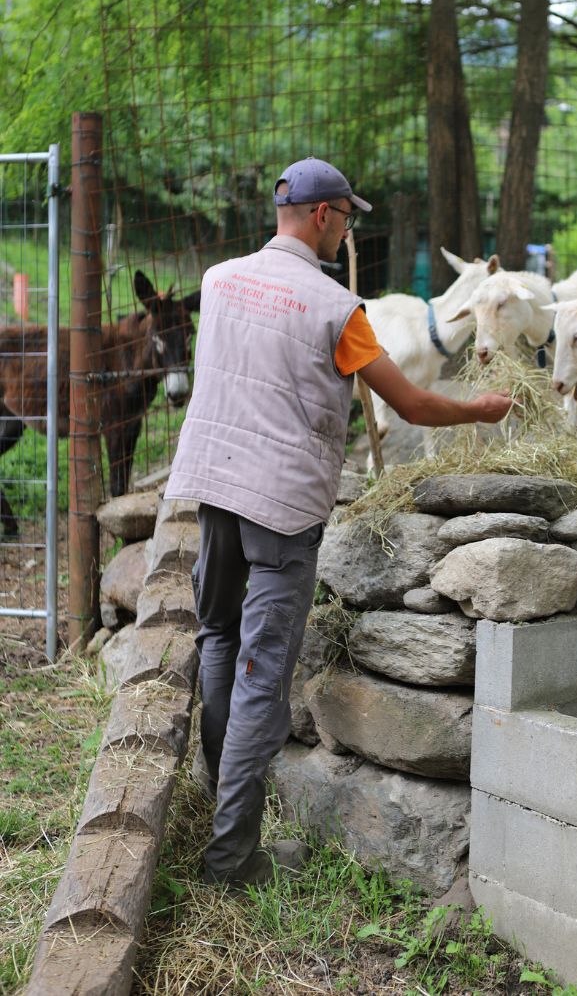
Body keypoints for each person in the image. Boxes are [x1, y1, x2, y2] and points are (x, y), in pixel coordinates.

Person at [164, 156, 514, 889]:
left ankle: (216, 801)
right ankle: (232, 858)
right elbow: (412, 406)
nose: (348, 227)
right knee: (265, 671)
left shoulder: (219, 282)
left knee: (220, 638)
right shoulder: (336, 310)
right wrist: (480, 408)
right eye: (347, 216)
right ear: (323, 216)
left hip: (214, 488)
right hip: (283, 508)